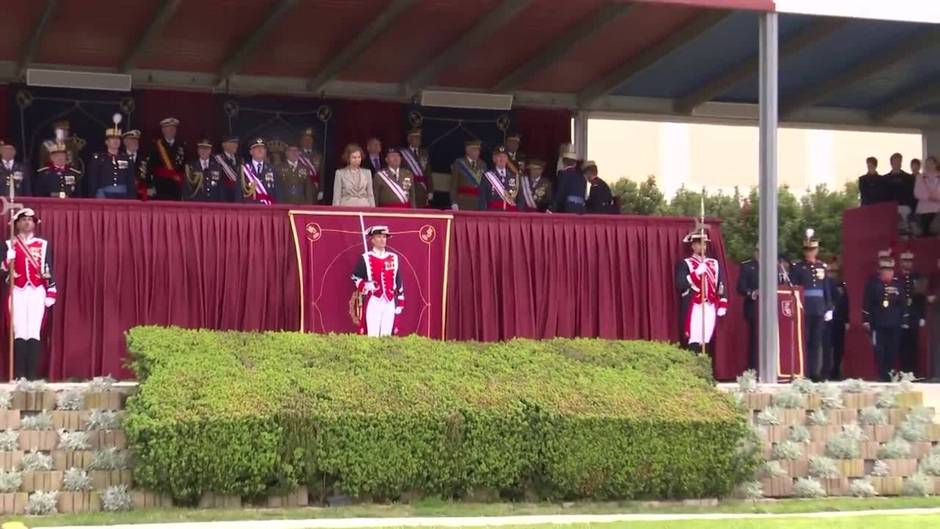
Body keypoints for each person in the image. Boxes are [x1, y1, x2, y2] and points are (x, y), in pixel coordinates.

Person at [2, 208, 56, 380]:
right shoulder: (9, 244)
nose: (27, 222)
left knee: (33, 331)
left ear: (34, 224)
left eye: (30, 220)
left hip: (36, 290)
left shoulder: (43, 244)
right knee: (19, 331)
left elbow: (48, 268)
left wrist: (52, 290)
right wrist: (6, 260)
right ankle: (19, 375)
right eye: (23, 219)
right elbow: (2, 270)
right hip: (17, 290)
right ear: (17, 223)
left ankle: (32, 376)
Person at [675, 226, 728, 354]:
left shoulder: (713, 263)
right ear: (693, 246)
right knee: (694, 335)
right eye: (699, 244)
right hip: (694, 303)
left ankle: (704, 364)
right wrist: (696, 273)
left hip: (710, 303)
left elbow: (721, 283)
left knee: (707, 335)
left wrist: (723, 302)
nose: (702, 247)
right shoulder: (685, 263)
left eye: (704, 245)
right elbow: (681, 284)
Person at [790, 229, 833, 381]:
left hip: (819, 308)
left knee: (817, 341)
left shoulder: (822, 266)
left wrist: (829, 307)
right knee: (804, 340)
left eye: (812, 249)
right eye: (807, 250)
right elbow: (793, 288)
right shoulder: (798, 267)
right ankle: (803, 371)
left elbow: (826, 288)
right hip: (804, 307)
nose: (809, 253)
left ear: (817, 250)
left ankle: (815, 372)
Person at [351, 225, 403, 337]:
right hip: (374, 300)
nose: (382, 239)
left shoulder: (394, 257)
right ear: (373, 240)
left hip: (389, 301)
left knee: (387, 335)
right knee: (372, 335)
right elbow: (355, 277)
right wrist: (366, 285)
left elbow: (398, 281)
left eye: (384, 237)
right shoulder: (365, 257)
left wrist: (400, 301)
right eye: (379, 237)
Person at [863, 254, 908, 382]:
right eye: (884, 270)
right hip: (878, 322)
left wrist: (904, 320)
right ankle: (882, 374)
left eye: (889, 270)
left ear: (892, 271)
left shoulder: (898, 284)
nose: (887, 272)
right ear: (880, 271)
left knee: (893, 349)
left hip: (894, 322)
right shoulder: (872, 284)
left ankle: (890, 372)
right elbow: (867, 303)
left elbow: (903, 303)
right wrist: (866, 320)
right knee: (879, 350)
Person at [86, 120, 135, 199]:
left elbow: (130, 180)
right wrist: (93, 195)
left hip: (123, 195)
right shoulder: (98, 158)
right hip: (103, 194)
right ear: (106, 142)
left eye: (118, 139)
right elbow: (93, 180)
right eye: (112, 139)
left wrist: (132, 198)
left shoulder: (127, 158)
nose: (116, 141)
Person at [898, 250, 927, 374]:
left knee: (913, 344)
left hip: (914, 314)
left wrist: (922, 316)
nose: (907, 263)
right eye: (905, 260)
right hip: (900, 315)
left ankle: (913, 372)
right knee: (901, 344)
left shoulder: (918, 277)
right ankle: (904, 371)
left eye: (909, 261)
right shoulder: (897, 277)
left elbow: (921, 298)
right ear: (900, 262)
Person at [147, 117, 186, 200]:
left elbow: (184, 167)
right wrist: (149, 186)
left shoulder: (181, 146)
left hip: (176, 187)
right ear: (163, 130)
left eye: (173, 128)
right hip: (160, 186)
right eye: (169, 128)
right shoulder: (156, 146)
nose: (172, 130)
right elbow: (149, 167)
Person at [824, 259, 849, 380]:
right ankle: (826, 371)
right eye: (829, 271)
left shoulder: (842, 285)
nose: (832, 273)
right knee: (826, 345)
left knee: (839, 347)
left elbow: (846, 303)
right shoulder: (824, 284)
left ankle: (836, 370)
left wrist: (847, 320)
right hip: (826, 320)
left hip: (839, 320)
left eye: (834, 271)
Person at [737, 246, 760, 372]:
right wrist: (752, 293)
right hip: (753, 307)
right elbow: (740, 287)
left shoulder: (774, 266)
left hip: (772, 309)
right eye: (758, 251)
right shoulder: (747, 266)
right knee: (754, 339)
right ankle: (753, 369)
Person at [479, 145, 521, 211]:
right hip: (492, 213)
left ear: (507, 159)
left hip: (511, 215)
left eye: (504, 156)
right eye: (499, 156)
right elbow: (482, 197)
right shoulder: (487, 176)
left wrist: (520, 215)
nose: (502, 159)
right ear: (494, 159)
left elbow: (520, 198)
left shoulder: (514, 176)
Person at [333, 143, 374, 207]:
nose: (357, 160)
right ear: (348, 158)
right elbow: (337, 196)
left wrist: (372, 211)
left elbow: (370, 195)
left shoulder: (367, 173)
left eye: (359, 157)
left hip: (364, 207)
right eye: (354, 157)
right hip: (347, 207)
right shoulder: (340, 173)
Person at [450, 139, 487, 211]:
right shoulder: (459, 163)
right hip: (463, 202)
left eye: (478, 150)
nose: (477, 152)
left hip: (478, 203)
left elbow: (484, 186)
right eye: (474, 150)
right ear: (467, 150)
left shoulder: (483, 164)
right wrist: (453, 202)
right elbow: (453, 185)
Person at [886, 152, 915, 233]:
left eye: (899, 161)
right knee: (892, 230)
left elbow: (912, 194)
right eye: (895, 162)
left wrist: (911, 207)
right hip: (890, 208)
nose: (897, 164)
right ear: (891, 163)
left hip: (905, 207)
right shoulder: (885, 179)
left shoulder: (909, 178)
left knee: (906, 231)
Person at [242, 138, 277, 205]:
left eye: (263, 148)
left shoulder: (272, 169)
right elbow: (239, 193)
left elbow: (277, 191)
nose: (260, 150)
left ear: (266, 151)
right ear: (251, 152)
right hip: (249, 208)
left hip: (268, 207)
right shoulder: (243, 169)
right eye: (256, 148)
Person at [401, 128, 430, 207]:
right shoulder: (403, 154)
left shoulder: (424, 153)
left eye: (419, 138)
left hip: (423, 189)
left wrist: (431, 190)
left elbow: (428, 173)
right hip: (410, 188)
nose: (418, 140)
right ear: (409, 139)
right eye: (415, 138)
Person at [550, 146, 584, 213]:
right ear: (575, 163)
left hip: (567, 209)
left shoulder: (563, 174)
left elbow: (560, 192)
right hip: (580, 210)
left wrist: (552, 208)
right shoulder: (582, 177)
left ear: (564, 162)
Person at [914, 155, 940, 236]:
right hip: (923, 209)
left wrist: (936, 198)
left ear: (935, 164)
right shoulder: (920, 177)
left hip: (937, 209)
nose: (928, 165)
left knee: (935, 233)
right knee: (924, 234)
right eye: (927, 163)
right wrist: (929, 197)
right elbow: (917, 192)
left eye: (931, 163)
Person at [214, 136, 243, 203]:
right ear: (224, 145)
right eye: (232, 143)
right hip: (224, 199)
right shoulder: (217, 160)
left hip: (238, 199)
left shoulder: (240, 160)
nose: (236, 145)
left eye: (236, 143)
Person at [299, 128, 323, 203]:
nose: (308, 142)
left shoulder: (318, 156)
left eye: (310, 140)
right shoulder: (297, 154)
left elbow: (321, 174)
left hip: (314, 188)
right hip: (301, 187)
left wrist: (321, 190)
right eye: (305, 140)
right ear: (301, 141)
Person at [122, 130, 147, 199]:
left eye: (136, 140)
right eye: (132, 140)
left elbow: (147, 176)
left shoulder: (144, 158)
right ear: (125, 142)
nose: (135, 142)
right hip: (124, 193)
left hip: (141, 196)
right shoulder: (121, 157)